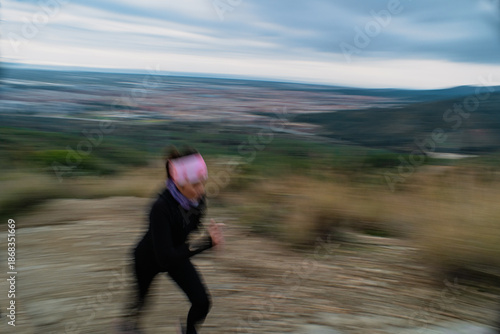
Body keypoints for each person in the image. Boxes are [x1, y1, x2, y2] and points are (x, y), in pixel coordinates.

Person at [116, 146, 224, 334]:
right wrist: (207, 242)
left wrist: (204, 236)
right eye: (195, 184)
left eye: (203, 183)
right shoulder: (160, 208)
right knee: (142, 299)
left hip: (175, 254)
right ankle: (128, 324)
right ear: (179, 182)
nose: (201, 190)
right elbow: (166, 257)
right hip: (147, 259)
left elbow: (192, 226)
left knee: (202, 302)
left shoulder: (198, 200)